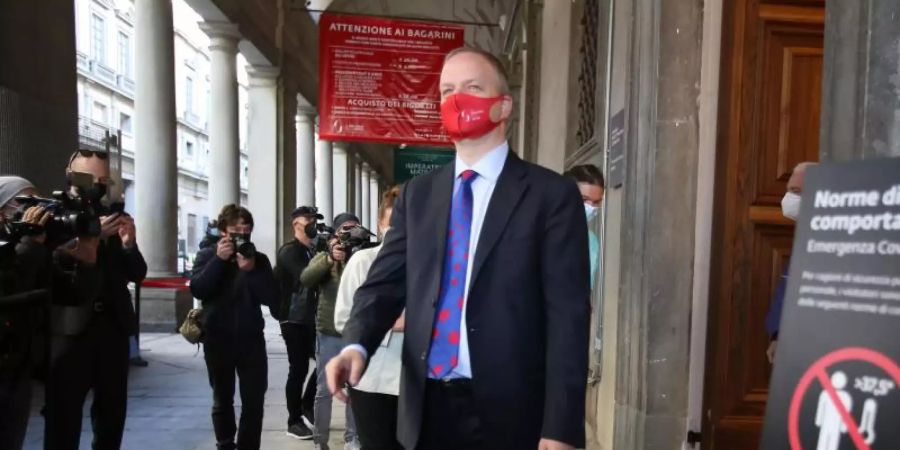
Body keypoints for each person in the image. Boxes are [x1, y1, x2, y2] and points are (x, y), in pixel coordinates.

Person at [327, 46, 591, 450]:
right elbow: (383, 285)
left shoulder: (549, 196)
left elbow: (568, 318)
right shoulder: (418, 196)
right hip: (424, 406)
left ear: (503, 106)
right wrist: (356, 343)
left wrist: (561, 427)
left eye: (471, 87)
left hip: (512, 414)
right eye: (447, 90)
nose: (456, 98)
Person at [45, 149, 148, 450]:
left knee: (112, 412)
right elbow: (49, 265)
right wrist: (92, 237)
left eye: (103, 179)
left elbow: (137, 273)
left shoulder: (113, 215)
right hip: (70, 329)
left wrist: (129, 245)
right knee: (63, 413)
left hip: (112, 327)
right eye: (89, 178)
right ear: (70, 174)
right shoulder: (54, 213)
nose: (97, 185)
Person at [190, 204, 278, 450]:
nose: (241, 236)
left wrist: (250, 271)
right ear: (222, 231)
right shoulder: (208, 255)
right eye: (235, 231)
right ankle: (225, 443)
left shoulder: (258, 260)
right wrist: (219, 260)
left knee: (254, 400)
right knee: (222, 398)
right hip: (218, 338)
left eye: (246, 231)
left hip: (251, 340)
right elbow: (198, 289)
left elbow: (272, 299)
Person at [334, 187, 404, 450]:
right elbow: (343, 319)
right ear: (380, 224)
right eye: (392, 222)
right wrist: (394, 325)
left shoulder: (430, 263)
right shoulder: (363, 262)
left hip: (419, 382)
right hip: (373, 380)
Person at [300, 213, 361, 450]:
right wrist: (329, 258)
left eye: (355, 229)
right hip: (329, 331)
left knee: (355, 387)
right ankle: (320, 440)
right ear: (336, 233)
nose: (350, 234)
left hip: (356, 331)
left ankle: (352, 438)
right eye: (345, 229)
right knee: (324, 389)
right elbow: (306, 279)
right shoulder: (324, 256)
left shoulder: (362, 256)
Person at [0, 176, 51, 450]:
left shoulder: (32, 246)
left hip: (19, 363)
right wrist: (30, 244)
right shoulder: (24, 247)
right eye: (24, 204)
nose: (32, 212)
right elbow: (10, 285)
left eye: (37, 204)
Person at [274, 206, 324, 440]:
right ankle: (293, 420)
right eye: (309, 219)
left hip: (310, 318)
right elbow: (307, 278)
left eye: (315, 219)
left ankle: (306, 405)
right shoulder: (289, 251)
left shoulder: (311, 250)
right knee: (299, 369)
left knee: (325, 361)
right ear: (296, 224)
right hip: (293, 319)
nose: (313, 223)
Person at [765, 161, 816, 364]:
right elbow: (787, 288)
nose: (789, 199)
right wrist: (777, 334)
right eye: (789, 191)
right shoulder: (805, 236)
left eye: (795, 191)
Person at [564, 165, 605, 287]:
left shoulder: (591, 241)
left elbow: (585, 290)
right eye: (583, 199)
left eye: (596, 202)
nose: (591, 207)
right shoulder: (539, 231)